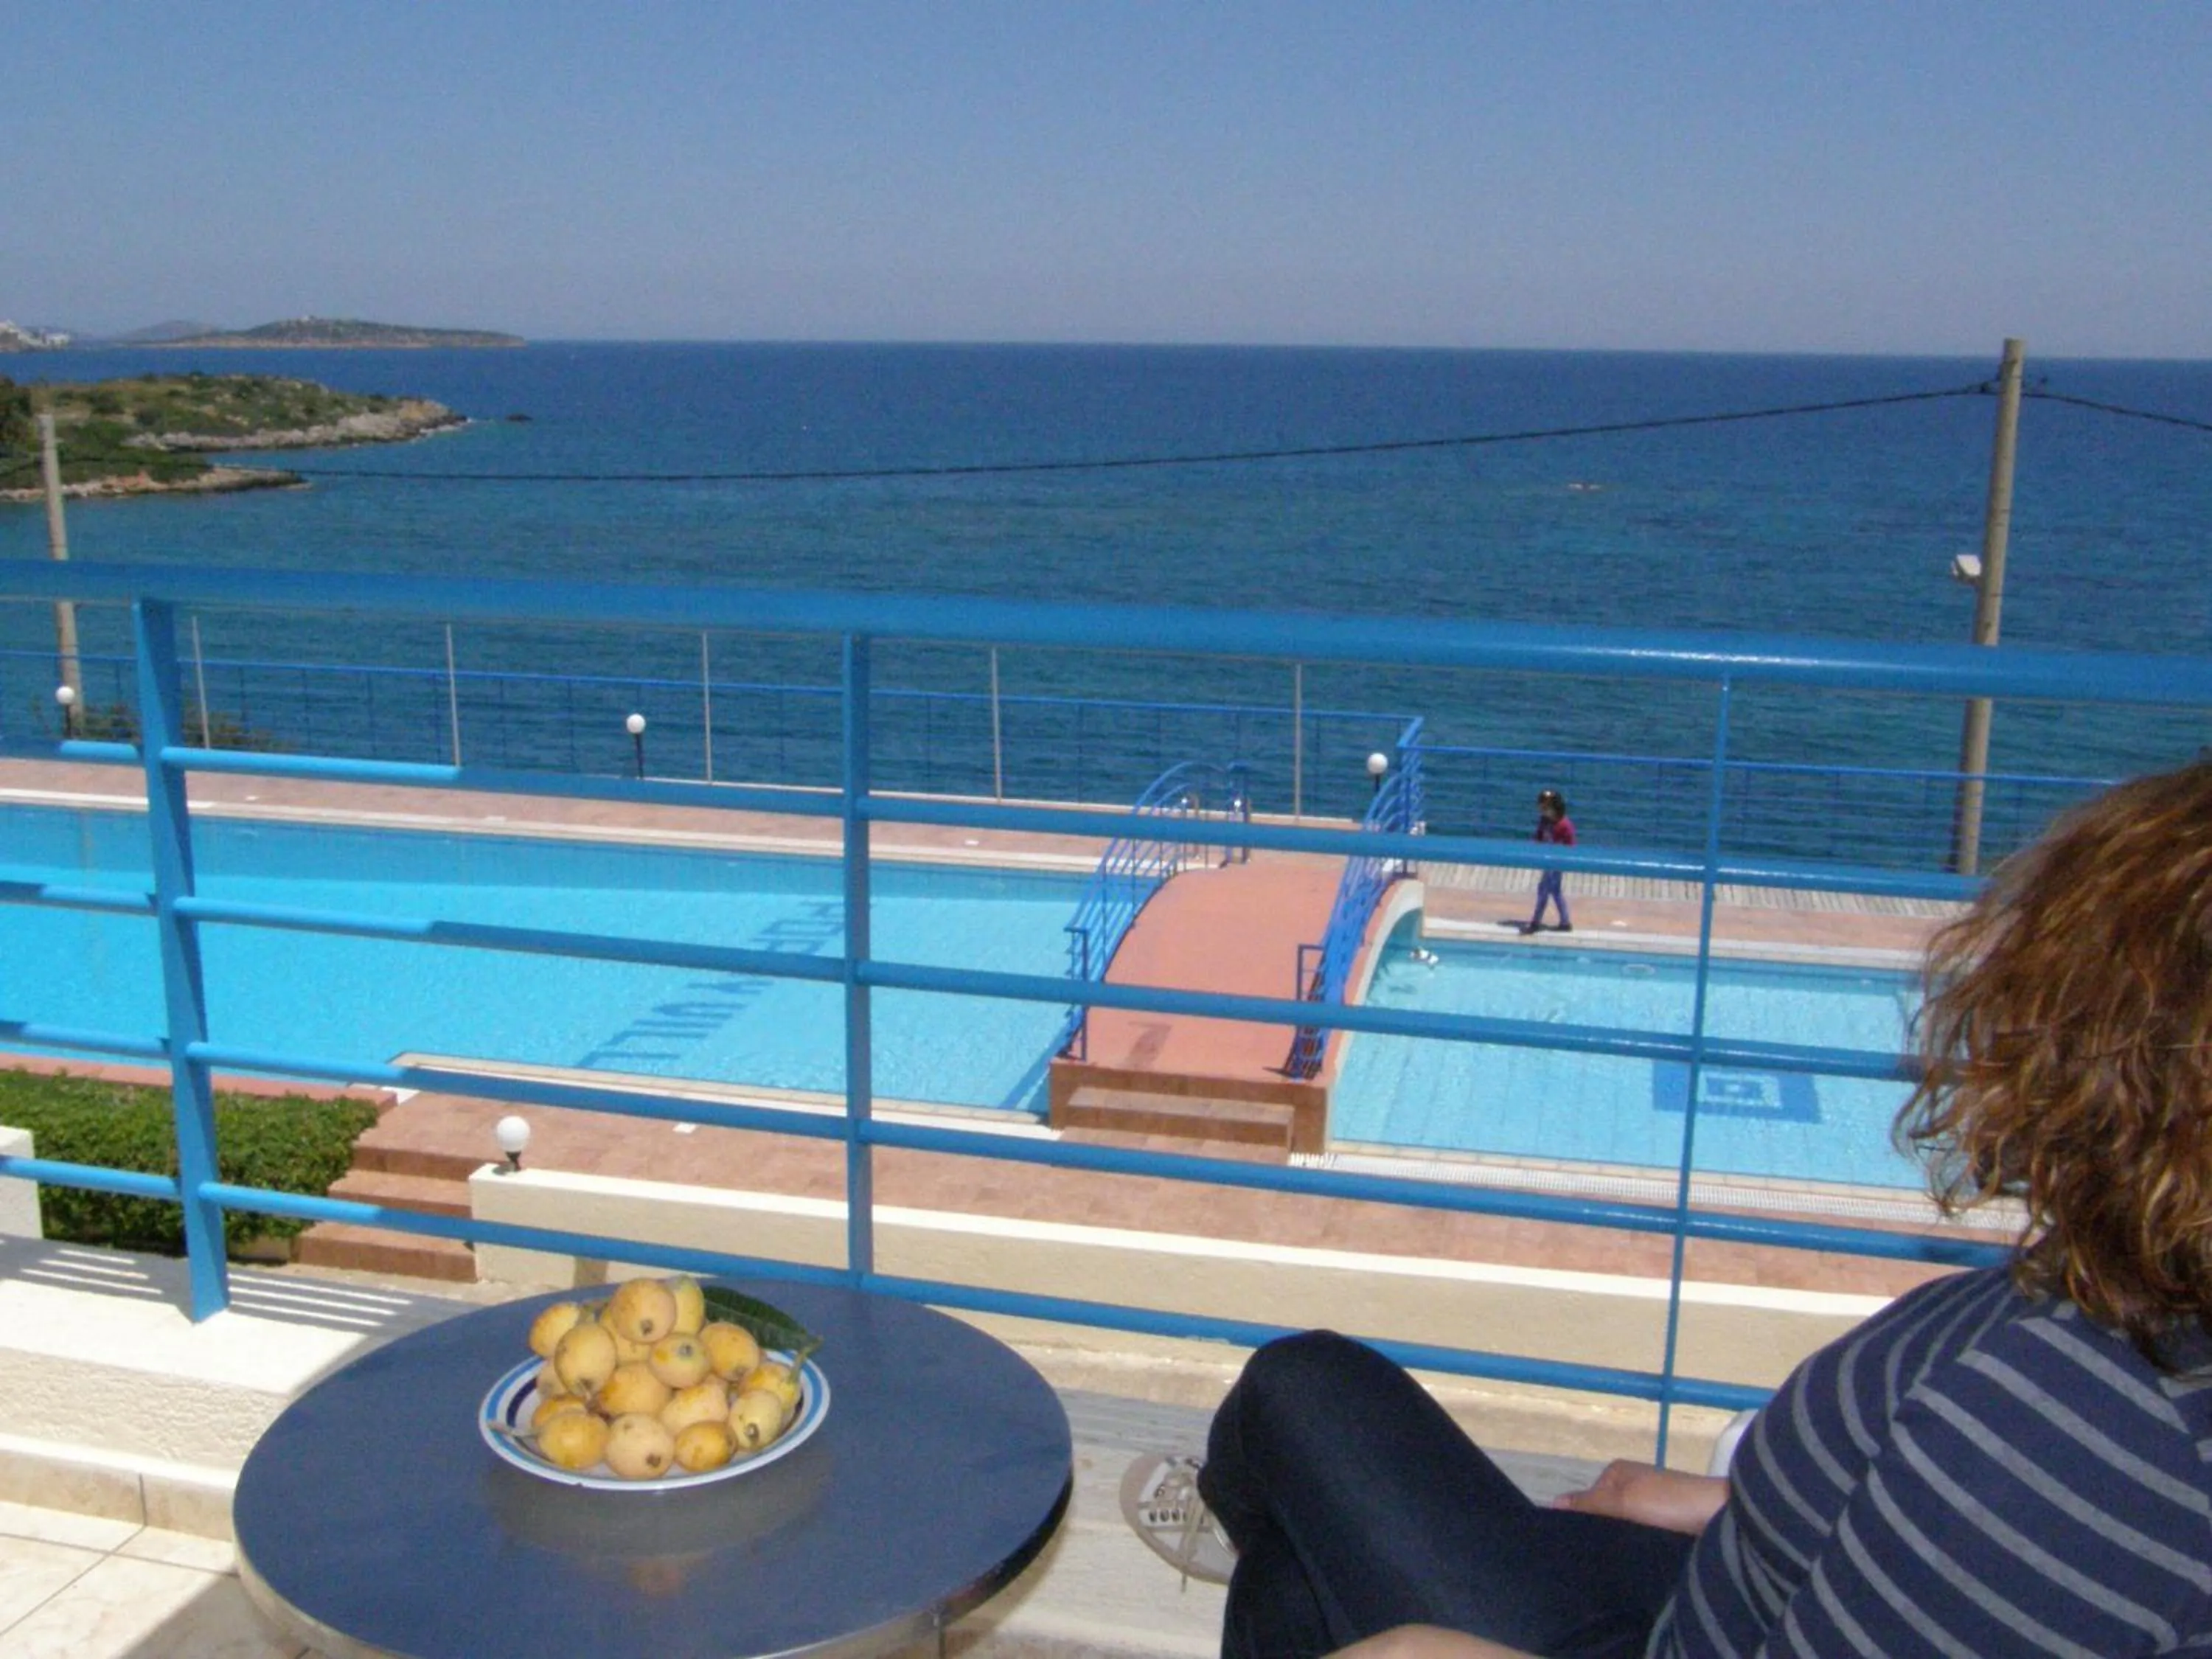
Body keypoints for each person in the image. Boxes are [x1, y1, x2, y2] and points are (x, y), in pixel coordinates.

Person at [1124, 758, 2212, 1659]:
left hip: (1688, 1631)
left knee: (1297, 1396)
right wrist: (1738, 1504)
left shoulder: (2065, 1438)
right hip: (1747, 1575)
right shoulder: (2134, 1303)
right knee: (1298, 1578)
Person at [1520, 789, 1574, 935]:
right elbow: (1538, 837)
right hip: (1547, 860)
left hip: (1557, 862)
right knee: (1555, 891)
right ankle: (1565, 922)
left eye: (1546, 808)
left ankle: (1536, 922)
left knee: (1544, 890)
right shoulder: (1545, 822)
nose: (1543, 811)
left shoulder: (1564, 825)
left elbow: (1570, 845)